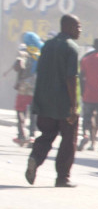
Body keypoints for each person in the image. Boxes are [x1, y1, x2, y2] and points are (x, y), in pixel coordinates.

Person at [25, 14, 83, 187]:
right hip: (65, 104)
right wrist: (73, 106)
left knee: (47, 135)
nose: (80, 30)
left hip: (44, 102)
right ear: (68, 26)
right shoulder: (71, 48)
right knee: (68, 141)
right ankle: (62, 177)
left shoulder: (47, 46)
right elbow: (71, 77)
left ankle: (35, 158)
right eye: (78, 26)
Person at [11, 32, 41, 146]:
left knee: (20, 110)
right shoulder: (39, 52)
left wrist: (17, 66)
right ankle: (32, 135)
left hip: (24, 85)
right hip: (36, 86)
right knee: (33, 111)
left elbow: (19, 66)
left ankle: (21, 135)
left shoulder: (24, 51)